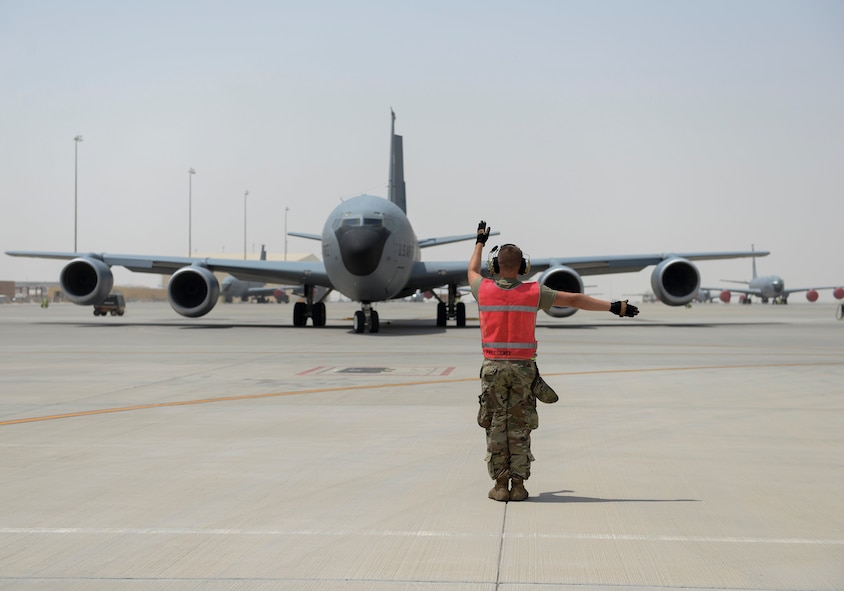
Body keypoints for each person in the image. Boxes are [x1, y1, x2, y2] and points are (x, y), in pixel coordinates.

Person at [468, 220, 639, 502]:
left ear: (494, 267)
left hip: (493, 370)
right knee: (520, 427)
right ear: (524, 267)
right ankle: (519, 486)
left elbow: (471, 270)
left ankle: (500, 486)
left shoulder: (483, 289)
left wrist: (479, 241)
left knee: (496, 425)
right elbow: (575, 300)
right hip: (524, 371)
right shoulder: (534, 293)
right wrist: (613, 307)